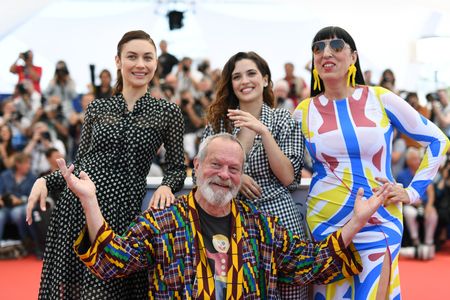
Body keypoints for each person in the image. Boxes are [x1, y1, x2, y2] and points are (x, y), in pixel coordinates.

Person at [59, 133, 391, 299]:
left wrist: (357, 222)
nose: (224, 174)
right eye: (216, 164)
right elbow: (110, 261)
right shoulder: (162, 223)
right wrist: (90, 202)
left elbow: (307, 263)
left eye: (234, 168)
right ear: (197, 167)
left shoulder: (259, 224)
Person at [25, 30, 186, 299]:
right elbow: (80, 161)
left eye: (148, 57)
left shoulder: (168, 112)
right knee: (72, 290)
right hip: (76, 207)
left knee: (106, 290)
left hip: (122, 214)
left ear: (156, 63)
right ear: (118, 61)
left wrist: (168, 186)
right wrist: (44, 180)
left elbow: (177, 167)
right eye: (132, 57)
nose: (140, 64)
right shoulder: (97, 108)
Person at [293, 26, 449, 299]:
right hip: (326, 223)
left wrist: (412, 192)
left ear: (353, 57)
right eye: (318, 48)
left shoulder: (380, 99)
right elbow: (289, 166)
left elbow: (439, 140)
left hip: (380, 218)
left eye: (336, 45)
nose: (326, 53)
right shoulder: (302, 112)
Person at [201, 51, 307, 298]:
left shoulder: (282, 118)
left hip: (280, 220)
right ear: (231, 84)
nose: (244, 81)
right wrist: (236, 178)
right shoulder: (220, 122)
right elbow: (206, 170)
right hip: (233, 223)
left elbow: (289, 179)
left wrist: (263, 131)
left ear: (266, 80)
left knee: (290, 290)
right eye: (237, 76)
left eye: (251, 74)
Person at [397, 147, 438, 259]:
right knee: (410, 213)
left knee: (433, 215)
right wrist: (410, 201)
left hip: (424, 204)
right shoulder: (402, 175)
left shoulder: (423, 172)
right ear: (408, 161)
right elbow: (400, 193)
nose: (417, 161)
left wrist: (429, 205)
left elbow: (431, 191)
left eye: (418, 159)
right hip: (410, 204)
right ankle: (416, 242)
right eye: (414, 159)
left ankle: (428, 243)